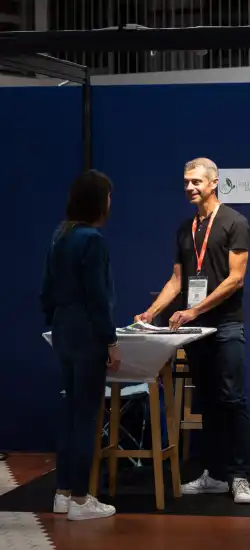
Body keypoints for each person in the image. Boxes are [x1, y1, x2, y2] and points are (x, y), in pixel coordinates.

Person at [134, 157, 250, 504]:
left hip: (227, 323)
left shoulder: (236, 222)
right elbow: (177, 280)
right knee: (207, 402)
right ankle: (214, 474)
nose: (190, 187)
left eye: (197, 182)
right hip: (196, 329)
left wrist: (193, 310)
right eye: (186, 182)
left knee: (232, 398)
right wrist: (151, 313)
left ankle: (240, 476)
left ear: (214, 182)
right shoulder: (184, 229)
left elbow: (236, 277)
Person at [40, 170, 120, 521]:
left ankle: (62, 493)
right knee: (87, 417)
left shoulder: (60, 235)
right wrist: (111, 340)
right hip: (88, 332)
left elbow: (46, 290)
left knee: (71, 413)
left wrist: (57, 322)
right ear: (99, 201)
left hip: (62, 329)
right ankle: (81, 499)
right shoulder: (93, 240)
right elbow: (98, 298)